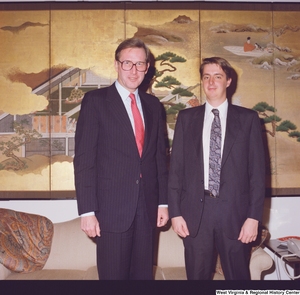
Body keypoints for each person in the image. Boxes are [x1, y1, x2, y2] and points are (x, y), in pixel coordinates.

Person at [73, 38, 169, 280]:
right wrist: (87, 211)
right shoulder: (95, 102)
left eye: (140, 64)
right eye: (128, 63)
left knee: (142, 278)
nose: (134, 70)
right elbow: (84, 160)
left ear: (147, 68)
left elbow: (159, 158)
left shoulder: (154, 106)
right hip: (110, 210)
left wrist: (163, 203)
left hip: (147, 208)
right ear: (116, 65)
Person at [168, 57, 265, 280]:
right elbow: (176, 171)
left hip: (235, 215)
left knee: (238, 280)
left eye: (218, 76)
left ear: (228, 81)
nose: (211, 82)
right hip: (195, 215)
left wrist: (253, 218)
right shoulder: (186, 118)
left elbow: (258, 176)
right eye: (206, 77)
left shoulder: (248, 119)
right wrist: (176, 213)